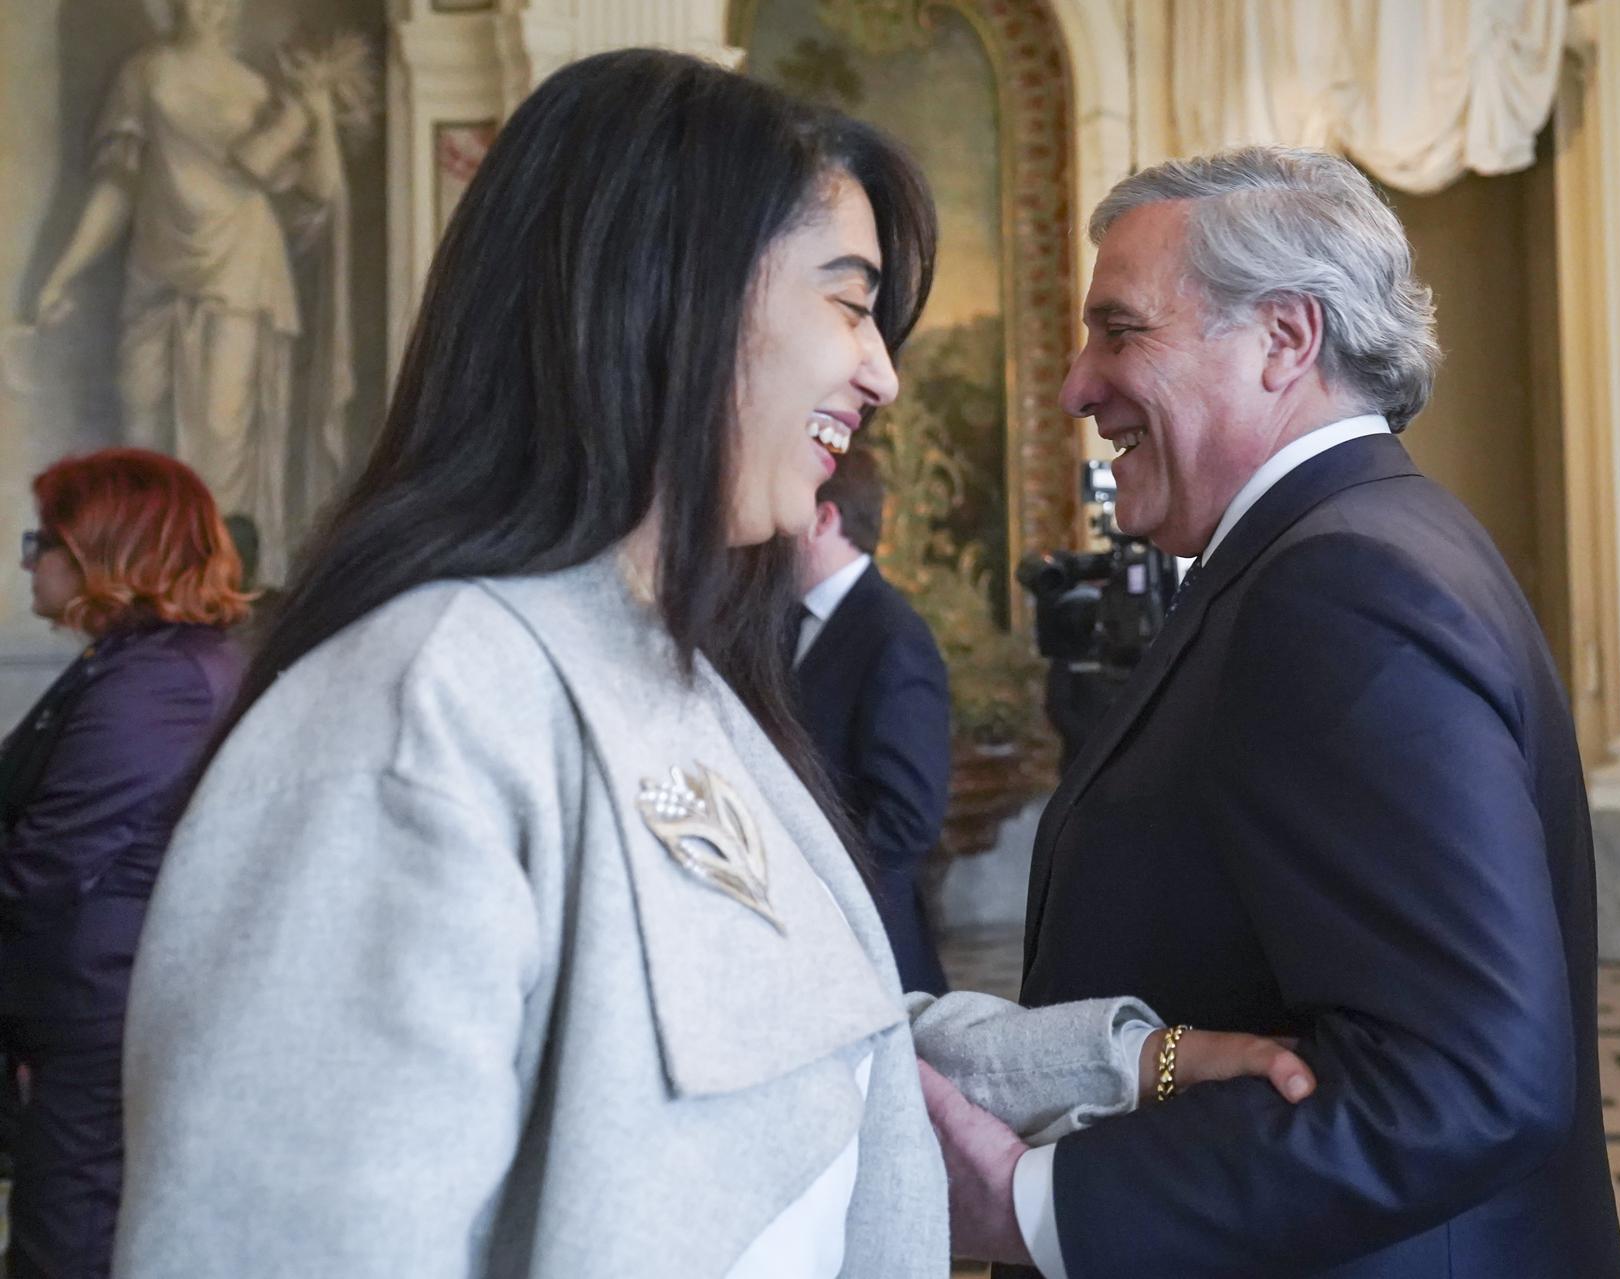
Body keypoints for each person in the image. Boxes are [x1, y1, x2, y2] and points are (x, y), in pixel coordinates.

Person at [111, 52, 1317, 1278]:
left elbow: (816, 1037)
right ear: (666, 294)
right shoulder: (416, 711)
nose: (881, 374)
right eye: (848, 304)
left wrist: (1133, 1062)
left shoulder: (681, 675)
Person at [928, 147, 1620, 1277]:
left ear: (1285, 339)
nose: (1076, 385)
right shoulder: (1352, 543)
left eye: (1120, 331)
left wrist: (1034, 1205)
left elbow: (1459, 1079)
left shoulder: (1339, 584)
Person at [0, 448, 249, 1279]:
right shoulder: (137, 662)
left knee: (64, 1247)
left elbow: (53, 857)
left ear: (102, 548)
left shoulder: (162, 677)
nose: (32, 561)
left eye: (46, 540)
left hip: (99, 1014)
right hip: (85, 1003)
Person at [32, 0, 362, 582]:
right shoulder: (146, 73)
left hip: (240, 272)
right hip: (157, 270)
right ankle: (143, 584)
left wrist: (317, 113)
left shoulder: (255, 89)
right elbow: (117, 188)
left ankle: (205, 591)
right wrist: (62, 274)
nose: (206, 6)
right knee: (140, 421)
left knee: (219, 434)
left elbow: (317, 192)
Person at [791, 446, 952, 994]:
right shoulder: (790, 622)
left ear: (822, 518)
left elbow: (908, 817)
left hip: (871, 953)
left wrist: (813, 886)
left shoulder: (892, 636)